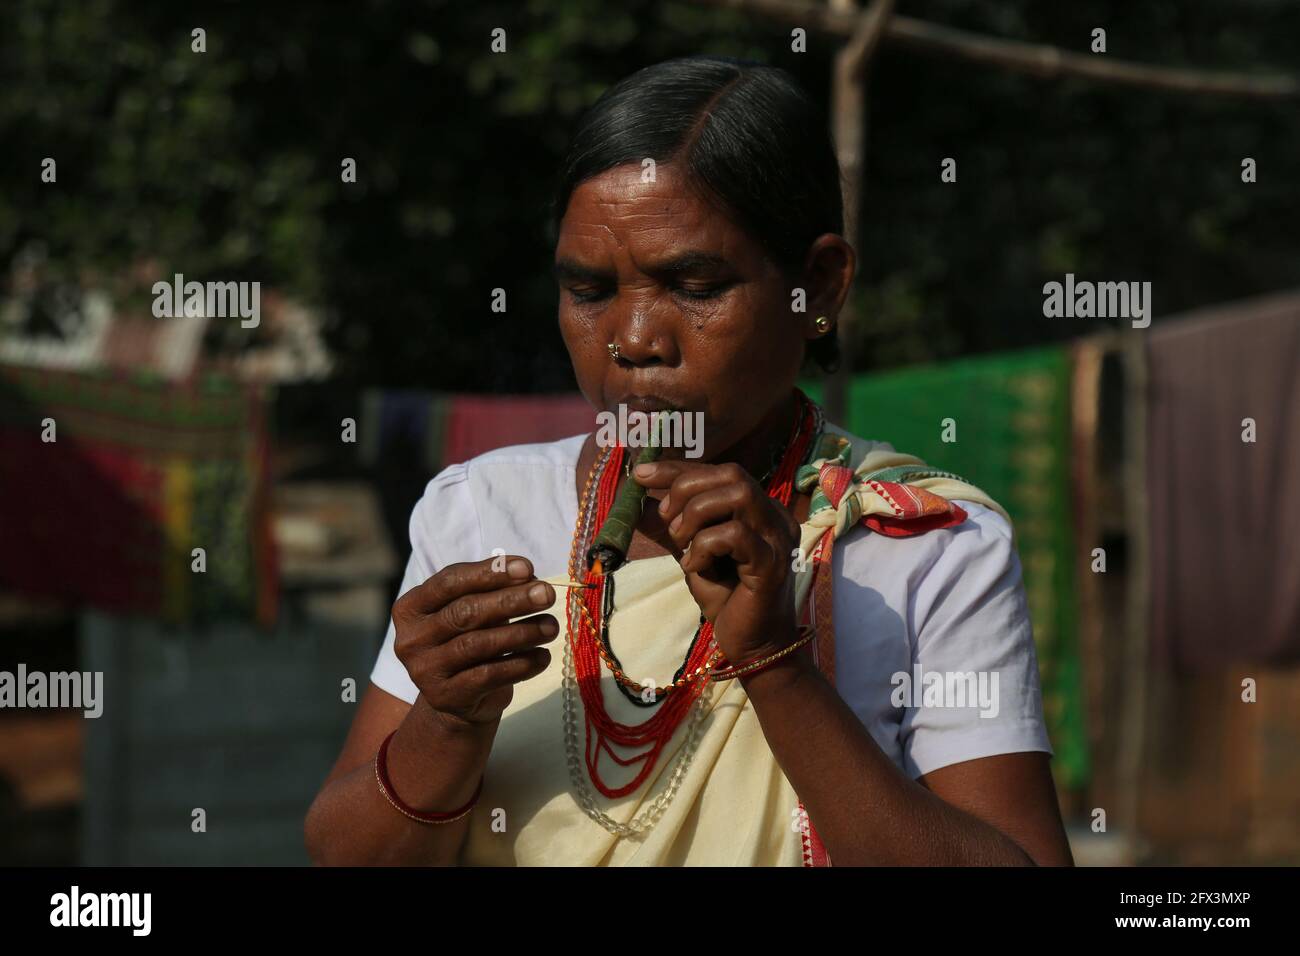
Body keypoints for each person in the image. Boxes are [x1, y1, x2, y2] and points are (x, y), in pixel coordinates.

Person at [304, 54, 1074, 866]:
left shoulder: (918, 545)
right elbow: (347, 856)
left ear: (817, 283)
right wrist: (448, 721)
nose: (636, 341)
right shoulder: (484, 511)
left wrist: (776, 663)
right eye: (591, 291)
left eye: (695, 286)